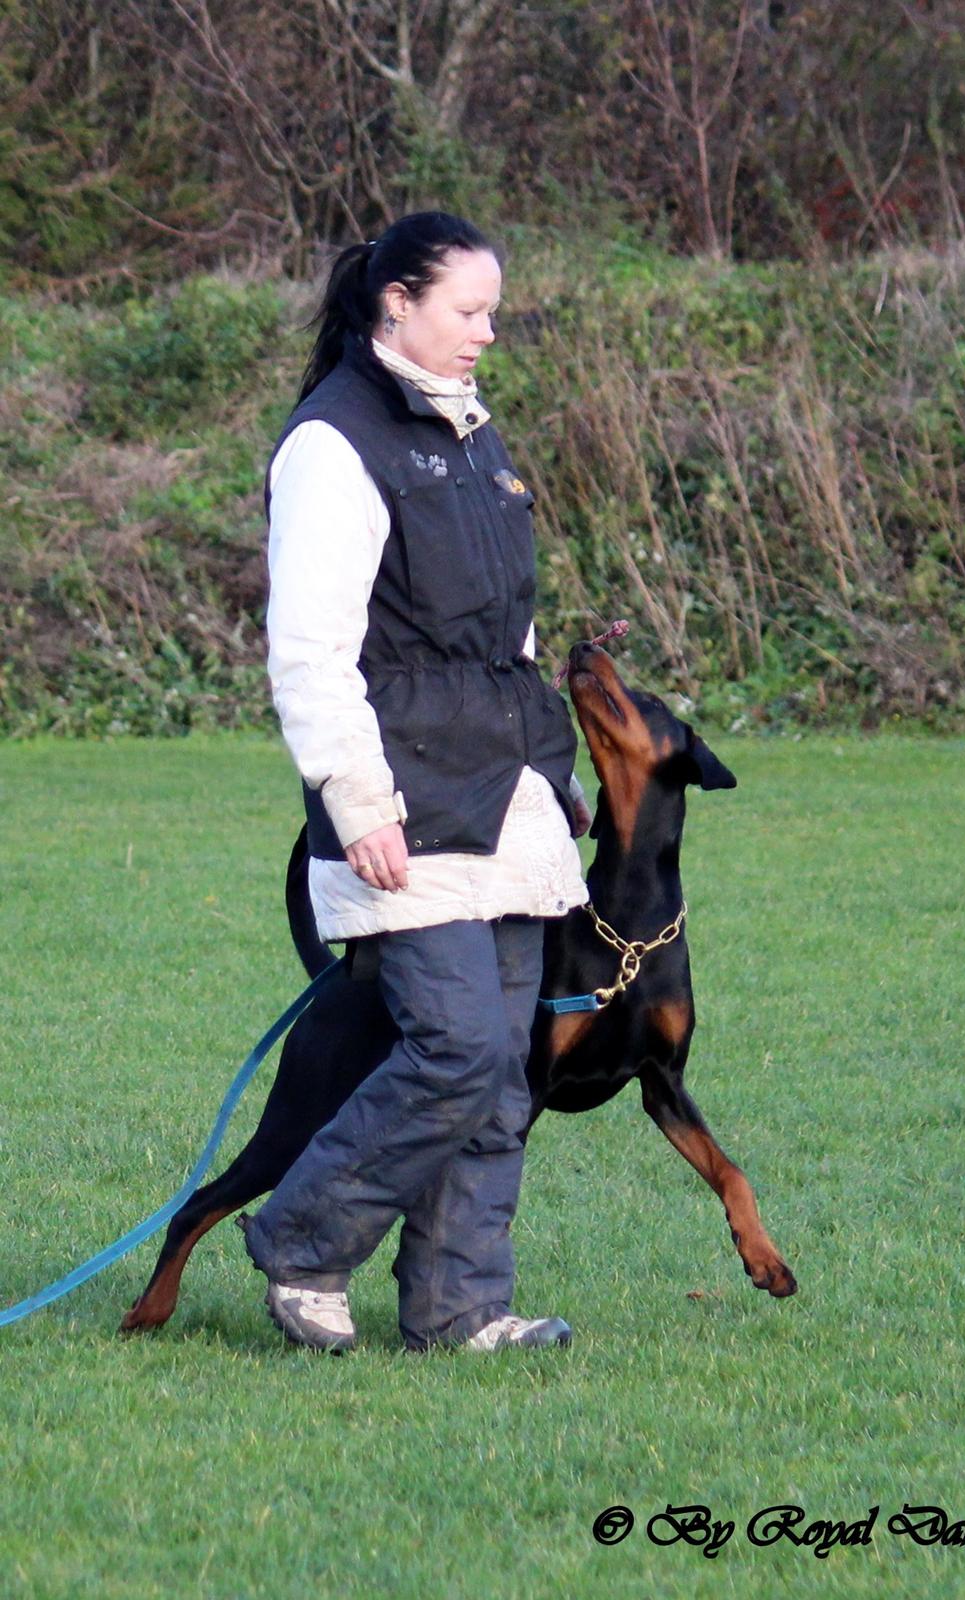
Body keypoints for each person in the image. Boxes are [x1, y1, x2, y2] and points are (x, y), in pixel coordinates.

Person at [240, 212, 592, 1354]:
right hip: (402, 799)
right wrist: (359, 805)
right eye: (468, 310)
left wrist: (549, 773)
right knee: (454, 1048)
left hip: (504, 793)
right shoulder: (331, 445)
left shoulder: (473, 435)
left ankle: (458, 1308)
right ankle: (301, 1244)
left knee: (499, 1077)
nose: (487, 332)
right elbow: (309, 651)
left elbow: (512, 635)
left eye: (492, 311)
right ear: (396, 299)